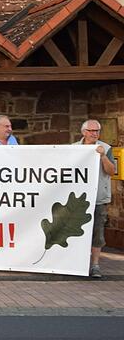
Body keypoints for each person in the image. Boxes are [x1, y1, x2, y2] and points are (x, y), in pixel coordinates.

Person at [74, 119, 116, 279]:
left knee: (97, 232)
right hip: (77, 199)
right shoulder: (74, 149)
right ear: (83, 132)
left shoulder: (106, 148)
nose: (94, 134)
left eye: (97, 131)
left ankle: (95, 264)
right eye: (91, 131)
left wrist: (103, 156)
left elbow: (112, 171)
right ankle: (78, 263)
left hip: (98, 198)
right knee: (78, 230)